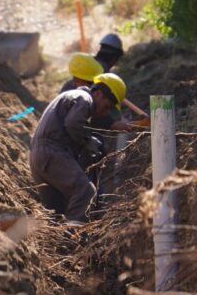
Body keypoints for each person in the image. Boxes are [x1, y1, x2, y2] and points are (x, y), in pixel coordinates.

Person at [29, 73, 126, 223]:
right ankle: (71, 240)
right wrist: (87, 140)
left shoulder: (71, 96)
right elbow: (72, 123)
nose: (104, 113)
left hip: (39, 156)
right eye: (106, 107)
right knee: (86, 191)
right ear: (98, 94)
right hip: (53, 152)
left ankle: (55, 243)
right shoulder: (84, 98)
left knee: (55, 211)